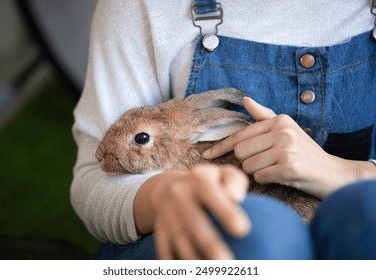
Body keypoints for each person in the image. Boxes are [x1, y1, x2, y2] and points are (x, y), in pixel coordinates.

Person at [71, 0, 376, 260]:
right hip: (196, 232)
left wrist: (348, 173)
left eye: (140, 139)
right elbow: (92, 178)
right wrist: (162, 195)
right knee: (256, 230)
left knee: (368, 209)